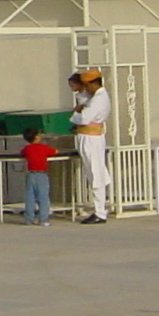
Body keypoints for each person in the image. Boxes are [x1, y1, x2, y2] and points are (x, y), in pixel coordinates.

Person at [69, 67, 111, 222]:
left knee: (95, 174)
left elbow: (84, 119)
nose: (86, 89)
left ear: (94, 84)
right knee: (94, 172)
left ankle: (100, 212)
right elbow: (83, 98)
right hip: (90, 137)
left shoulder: (98, 99)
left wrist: (76, 114)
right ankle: (99, 209)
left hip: (91, 139)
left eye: (87, 86)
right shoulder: (96, 97)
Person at [19, 128, 55, 225]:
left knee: (30, 197)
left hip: (31, 174)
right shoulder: (43, 148)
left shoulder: (27, 149)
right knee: (43, 197)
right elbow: (54, 151)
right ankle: (43, 219)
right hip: (41, 174)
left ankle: (29, 219)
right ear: (36, 137)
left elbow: (22, 152)